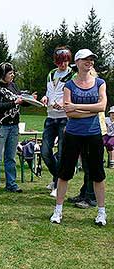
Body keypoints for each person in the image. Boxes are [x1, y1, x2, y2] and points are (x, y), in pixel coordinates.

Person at [50, 49, 107, 225]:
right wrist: (90, 109)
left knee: (98, 174)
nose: (89, 62)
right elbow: (69, 112)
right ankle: (58, 210)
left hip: (93, 134)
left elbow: (102, 106)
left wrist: (77, 107)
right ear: (77, 62)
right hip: (73, 135)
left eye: (91, 59)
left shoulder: (100, 83)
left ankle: (101, 212)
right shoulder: (70, 85)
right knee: (64, 173)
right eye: (86, 59)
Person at [0, 62, 29, 196]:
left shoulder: (14, 86)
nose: (13, 75)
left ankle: (11, 184)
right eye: (10, 73)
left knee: (11, 157)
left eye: (13, 73)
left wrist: (30, 99)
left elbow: (21, 100)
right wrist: (14, 103)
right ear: (3, 74)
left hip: (14, 126)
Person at [40, 46, 75, 198]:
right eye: (60, 61)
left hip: (64, 118)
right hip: (50, 116)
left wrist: (63, 102)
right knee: (45, 152)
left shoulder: (73, 75)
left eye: (66, 61)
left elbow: (74, 94)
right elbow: (49, 92)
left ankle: (57, 183)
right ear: (56, 62)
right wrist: (45, 98)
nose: (63, 64)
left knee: (61, 153)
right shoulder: (51, 74)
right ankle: (58, 177)